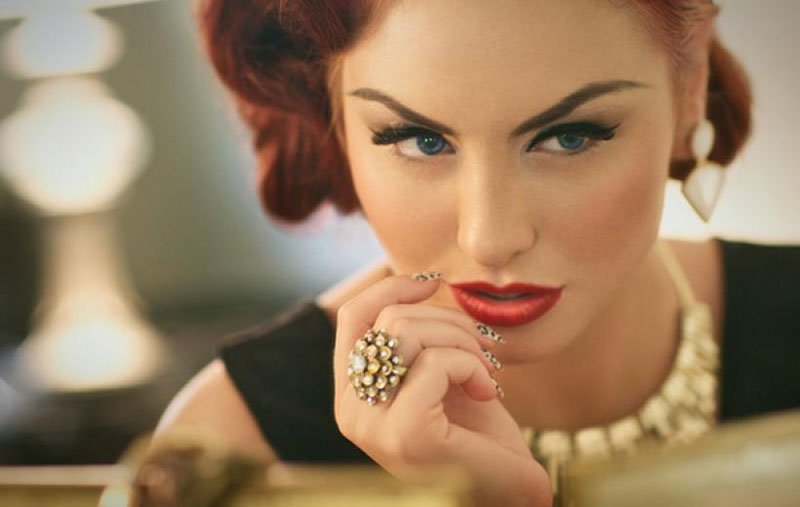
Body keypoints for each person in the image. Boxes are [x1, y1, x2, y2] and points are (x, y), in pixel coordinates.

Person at [152, 1, 800, 505]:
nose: (489, 237)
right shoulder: (226, 452)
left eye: (570, 137)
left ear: (691, 87)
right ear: (338, 122)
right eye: (420, 140)